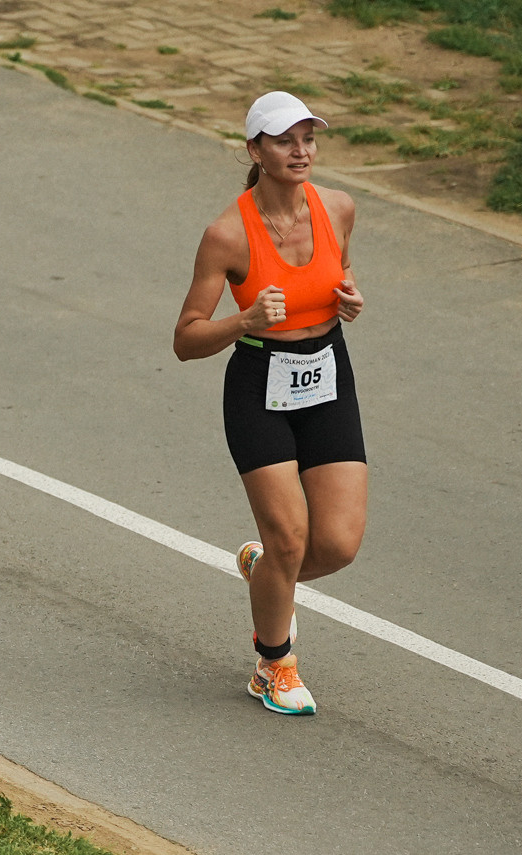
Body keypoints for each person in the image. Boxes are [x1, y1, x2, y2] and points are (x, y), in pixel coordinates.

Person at [173, 91, 367, 716]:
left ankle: (265, 573)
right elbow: (185, 338)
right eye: (285, 141)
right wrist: (245, 318)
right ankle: (273, 663)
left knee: (336, 544)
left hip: (327, 373)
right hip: (260, 381)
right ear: (255, 150)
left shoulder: (337, 208)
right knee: (288, 538)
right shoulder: (228, 235)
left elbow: (338, 278)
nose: (301, 151)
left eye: (308, 138)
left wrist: (348, 300)